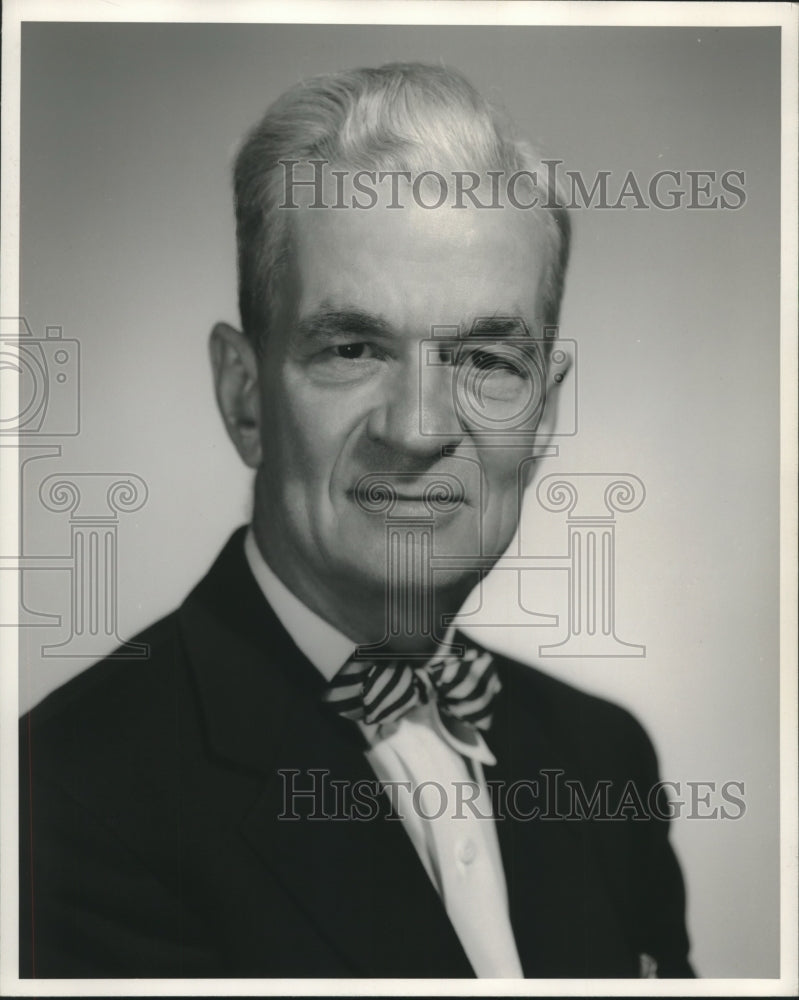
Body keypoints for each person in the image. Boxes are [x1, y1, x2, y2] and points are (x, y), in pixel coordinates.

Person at [19, 62, 693, 979]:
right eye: (352, 348)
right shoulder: (61, 797)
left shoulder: (603, 759)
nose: (417, 429)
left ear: (542, 414)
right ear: (245, 396)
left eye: (486, 360)